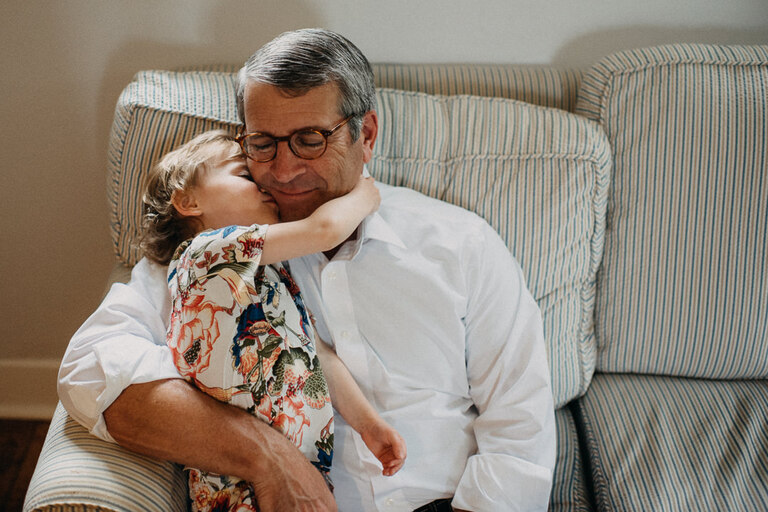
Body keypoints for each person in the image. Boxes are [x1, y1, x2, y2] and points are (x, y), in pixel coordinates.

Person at [59, 28, 556, 512]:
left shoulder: (463, 243)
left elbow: (519, 426)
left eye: (310, 139)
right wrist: (266, 457)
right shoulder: (206, 258)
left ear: (366, 135)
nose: (283, 170)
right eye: (262, 144)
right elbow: (88, 372)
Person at [139, 130, 406, 511]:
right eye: (244, 176)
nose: (264, 185)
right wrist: (363, 195)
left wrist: (369, 425)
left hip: (303, 475)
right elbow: (323, 230)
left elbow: (317, 356)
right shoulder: (204, 254)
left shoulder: (271, 273)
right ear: (188, 201)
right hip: (236, 488)